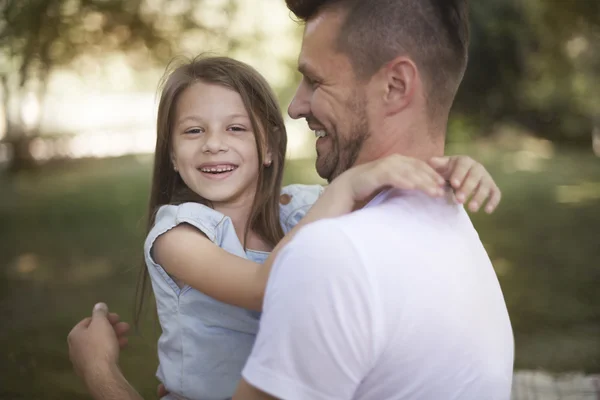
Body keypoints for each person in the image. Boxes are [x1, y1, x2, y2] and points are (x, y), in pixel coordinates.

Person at [68, 0, 515, 398]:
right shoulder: (181, 233)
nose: (213, 145)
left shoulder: (306, 217)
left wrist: (450, 168)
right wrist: (350, 184)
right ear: (170, 150)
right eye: (193, 131)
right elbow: (264, 287)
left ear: (268, 147)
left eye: (315, 81)